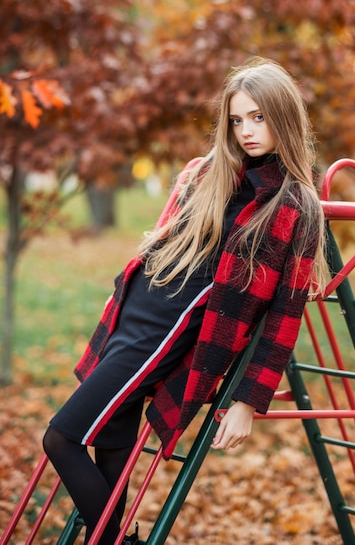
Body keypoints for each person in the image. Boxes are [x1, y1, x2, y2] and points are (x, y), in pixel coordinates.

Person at [43, 57, 327, 544]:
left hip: (164, 333)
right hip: (133, 312)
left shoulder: (296, 204)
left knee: (61, 438)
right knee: (112, 438)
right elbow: (167, 241)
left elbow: (285, 314)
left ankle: (116, 541)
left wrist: (247, 402)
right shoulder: (209, 172)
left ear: (283, 115)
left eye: (258, 117)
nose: (246, 131)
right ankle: (121, 535)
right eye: (237, 120)